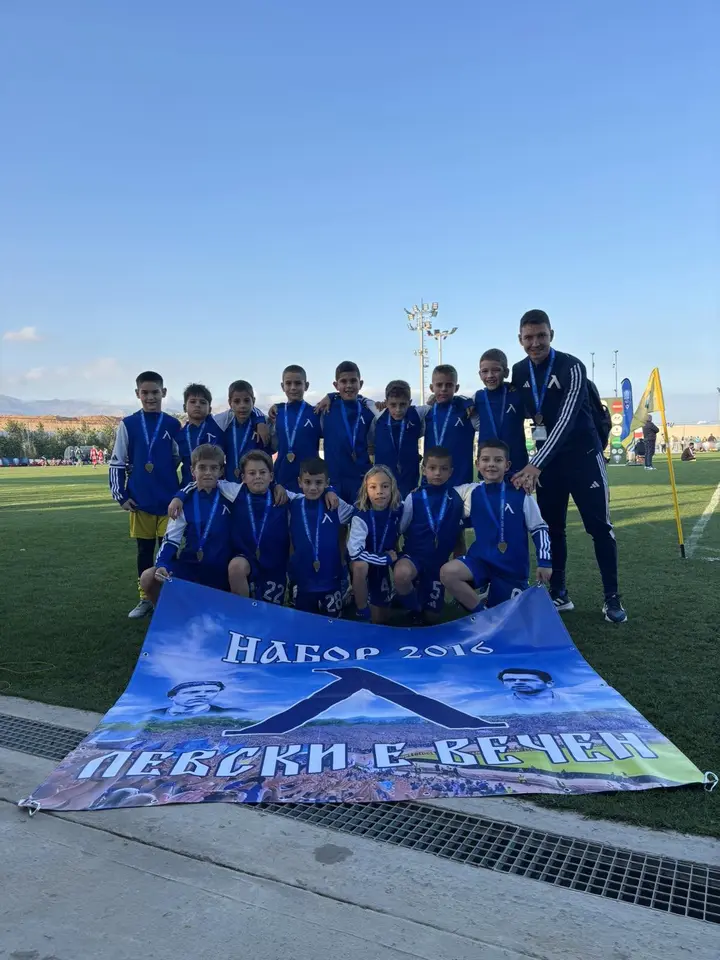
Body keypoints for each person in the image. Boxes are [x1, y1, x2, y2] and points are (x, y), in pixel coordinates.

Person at [510, 310, 627, 623]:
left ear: (552, 335)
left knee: (599, 527)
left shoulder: (572, 366)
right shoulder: (519, 371)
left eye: (541, 336)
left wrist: (535, 464)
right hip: (548, 465)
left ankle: (612, 598)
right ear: (520, 339)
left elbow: (566, 420)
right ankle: (559, 593)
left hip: (583, 458)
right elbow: (511, 408)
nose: (535, 343)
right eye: (529, 337)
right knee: (553, 528)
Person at [440, 439, 551, 611]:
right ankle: (482, 614)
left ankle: (494, 596)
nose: (491, 464)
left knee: (511, 616)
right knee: (448, 572)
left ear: (507, 465)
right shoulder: (470, 492)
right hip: (480, 562)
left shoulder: (520, 493)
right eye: (485, 460)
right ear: (477, 464)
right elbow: (440, 498)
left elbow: (539, 528)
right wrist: (422, 490)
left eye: (498, 460)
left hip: (510, 569)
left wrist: (544, 562)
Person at [109, 370, 182, 619]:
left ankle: (169, 599)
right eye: (145, 393)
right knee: (144, 551)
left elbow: (178, 457)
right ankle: (145, 598)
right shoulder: (128, 424)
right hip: (140, 502)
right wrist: (120, 495)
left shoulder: (173, 425)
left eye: (155, 392)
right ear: (137, 394)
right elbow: (117, 460)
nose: (150, 397)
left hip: (168, 502)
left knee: (168, 552)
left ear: (164, 392)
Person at [141, 443, 233, 604]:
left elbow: (254, 488)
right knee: (148, 577)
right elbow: (171, 539)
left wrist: (277, 488)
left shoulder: (231, 493)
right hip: (190, 566)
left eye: (213, 468)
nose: (208, 472)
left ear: (221, 471)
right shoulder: (182, 503)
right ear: (192, 471)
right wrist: (162, 564)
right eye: (202, 468)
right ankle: (166, 614)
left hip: (222, 568)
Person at [393, 446, 465, 625]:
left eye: (443, 469)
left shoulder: (456, 500)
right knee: (401, 574)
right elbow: (400, 528)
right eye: (432, 468)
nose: (438, 473)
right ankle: (414, 608)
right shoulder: (414, 497)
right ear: (424, 470)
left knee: (432, 618)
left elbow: (458, 534)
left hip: (438, 565)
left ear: (451, 472)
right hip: (414, 557)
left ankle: (417, 601)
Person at [288, 456, 355, 616]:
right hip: (303, 581)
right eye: (307, 482)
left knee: (333, 623)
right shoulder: (292, 504)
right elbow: (274, 488)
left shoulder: (335, 504)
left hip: (331, 579)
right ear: (299, 482)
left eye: (318, 483)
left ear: (326, 483)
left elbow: (359, 514)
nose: (312, 488)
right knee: (304, 623)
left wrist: (330, 491)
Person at [226, 450, 292, 604]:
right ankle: (242, 612)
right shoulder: (235, 492)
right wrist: (180, 497)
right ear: (243, 477)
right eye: (252, 473)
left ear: (271, 476)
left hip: (274, 563)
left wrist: (329, 491)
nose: (257, 476)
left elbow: (311, 495)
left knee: (269, 612)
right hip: (246, 557)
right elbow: (207, 480)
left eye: (262, 472)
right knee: (236, 568)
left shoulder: (283, 497)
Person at [347, 465, 403, 623]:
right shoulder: (361, 515)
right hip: (364, 560)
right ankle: (361, 609)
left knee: (381, 619)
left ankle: (402, 598)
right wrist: (384, 558)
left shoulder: (398, 510)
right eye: (373, 487)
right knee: (360, 566)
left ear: (392, 488)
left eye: (385, 486)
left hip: (382, 562)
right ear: (366, 490)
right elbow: (355, 553)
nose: (379, 491)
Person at [320, 361, 377, 504]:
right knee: (335, 517)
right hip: (334, 481)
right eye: (343, 381)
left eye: (353, 381)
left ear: (360, 383)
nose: (349, 385)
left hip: (361, 480)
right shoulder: (326, 409)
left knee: (360, 517)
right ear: (336, 385)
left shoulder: (368, 411)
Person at [473, 349, 528, 475]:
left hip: (516, 463)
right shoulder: (478, 397)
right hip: (488, 465)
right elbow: (456, 402)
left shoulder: (517, 394)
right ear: (480, 374)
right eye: (485, 371)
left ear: (506, 372)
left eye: (496, 370)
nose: (490, 375)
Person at [269, 364, 323, 493]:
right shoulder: (277, 412)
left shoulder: (316, 413)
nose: (293, 387)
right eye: (288, 383)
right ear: (282, 386)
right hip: (282, 477)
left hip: (309, 479)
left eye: (298, 383)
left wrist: (331, 397)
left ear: (306, 386)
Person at [372, 380, 424, 498]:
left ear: (410, 402)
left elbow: (436, 403)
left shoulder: (417, 414)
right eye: (393, 405)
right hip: (383, 482)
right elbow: (370, 440)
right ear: (386, 403)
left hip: (409, 481)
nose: (398, 410)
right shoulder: (378, 416)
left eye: (403, 404)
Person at [219, 380, 268, 481]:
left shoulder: (263, 425)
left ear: (253, 401)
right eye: (237, 401)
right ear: (230, 403)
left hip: (256, 482)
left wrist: (260, 420)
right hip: (230, 482)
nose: (242, 405)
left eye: (246, 401)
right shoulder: (224, 424)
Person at [178, 383, 223, 486]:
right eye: (193, 402)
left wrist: (258, 421)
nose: (197, 405)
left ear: (210, 409)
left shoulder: (219, 426)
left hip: (215, 485)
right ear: (184, 407)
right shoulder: (179, 435)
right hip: (188, 486)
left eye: (203, 402)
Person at [148, 681, 238, 717]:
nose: (202, 695)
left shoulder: (235, 714)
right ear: (172, 696)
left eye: (211, 691)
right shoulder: (149, 715)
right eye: (192, 692)